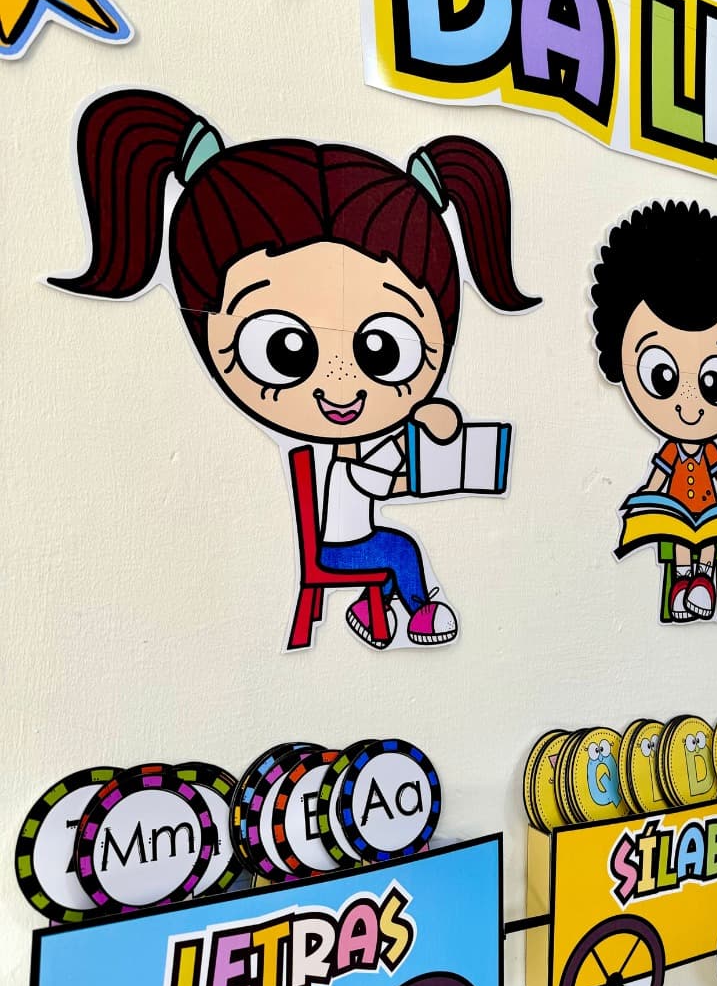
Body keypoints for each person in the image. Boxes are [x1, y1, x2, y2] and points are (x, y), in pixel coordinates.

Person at [51, 89, 538, 648]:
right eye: (286, 351)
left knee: (390, 548)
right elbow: (379, 481)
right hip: (338, 549)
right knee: (399, 549)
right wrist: (426, 456)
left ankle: (373, 612)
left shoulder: (357, 450)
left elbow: (389, 473)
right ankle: (421, 613)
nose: (339, 387)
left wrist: (427, 435)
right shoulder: (356, 455)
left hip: (344, 540)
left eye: (382, 352)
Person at [591, 201, 717, 622]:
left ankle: (702, 581)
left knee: (710, 539)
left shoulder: (709, 452)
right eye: (663, 377)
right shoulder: (672, 450)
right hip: (673, 512)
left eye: (712, 384)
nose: (689, 404)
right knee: (678, 542)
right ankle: (684, 582)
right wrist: (643, 497)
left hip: (710, 511)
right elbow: (657, 477)